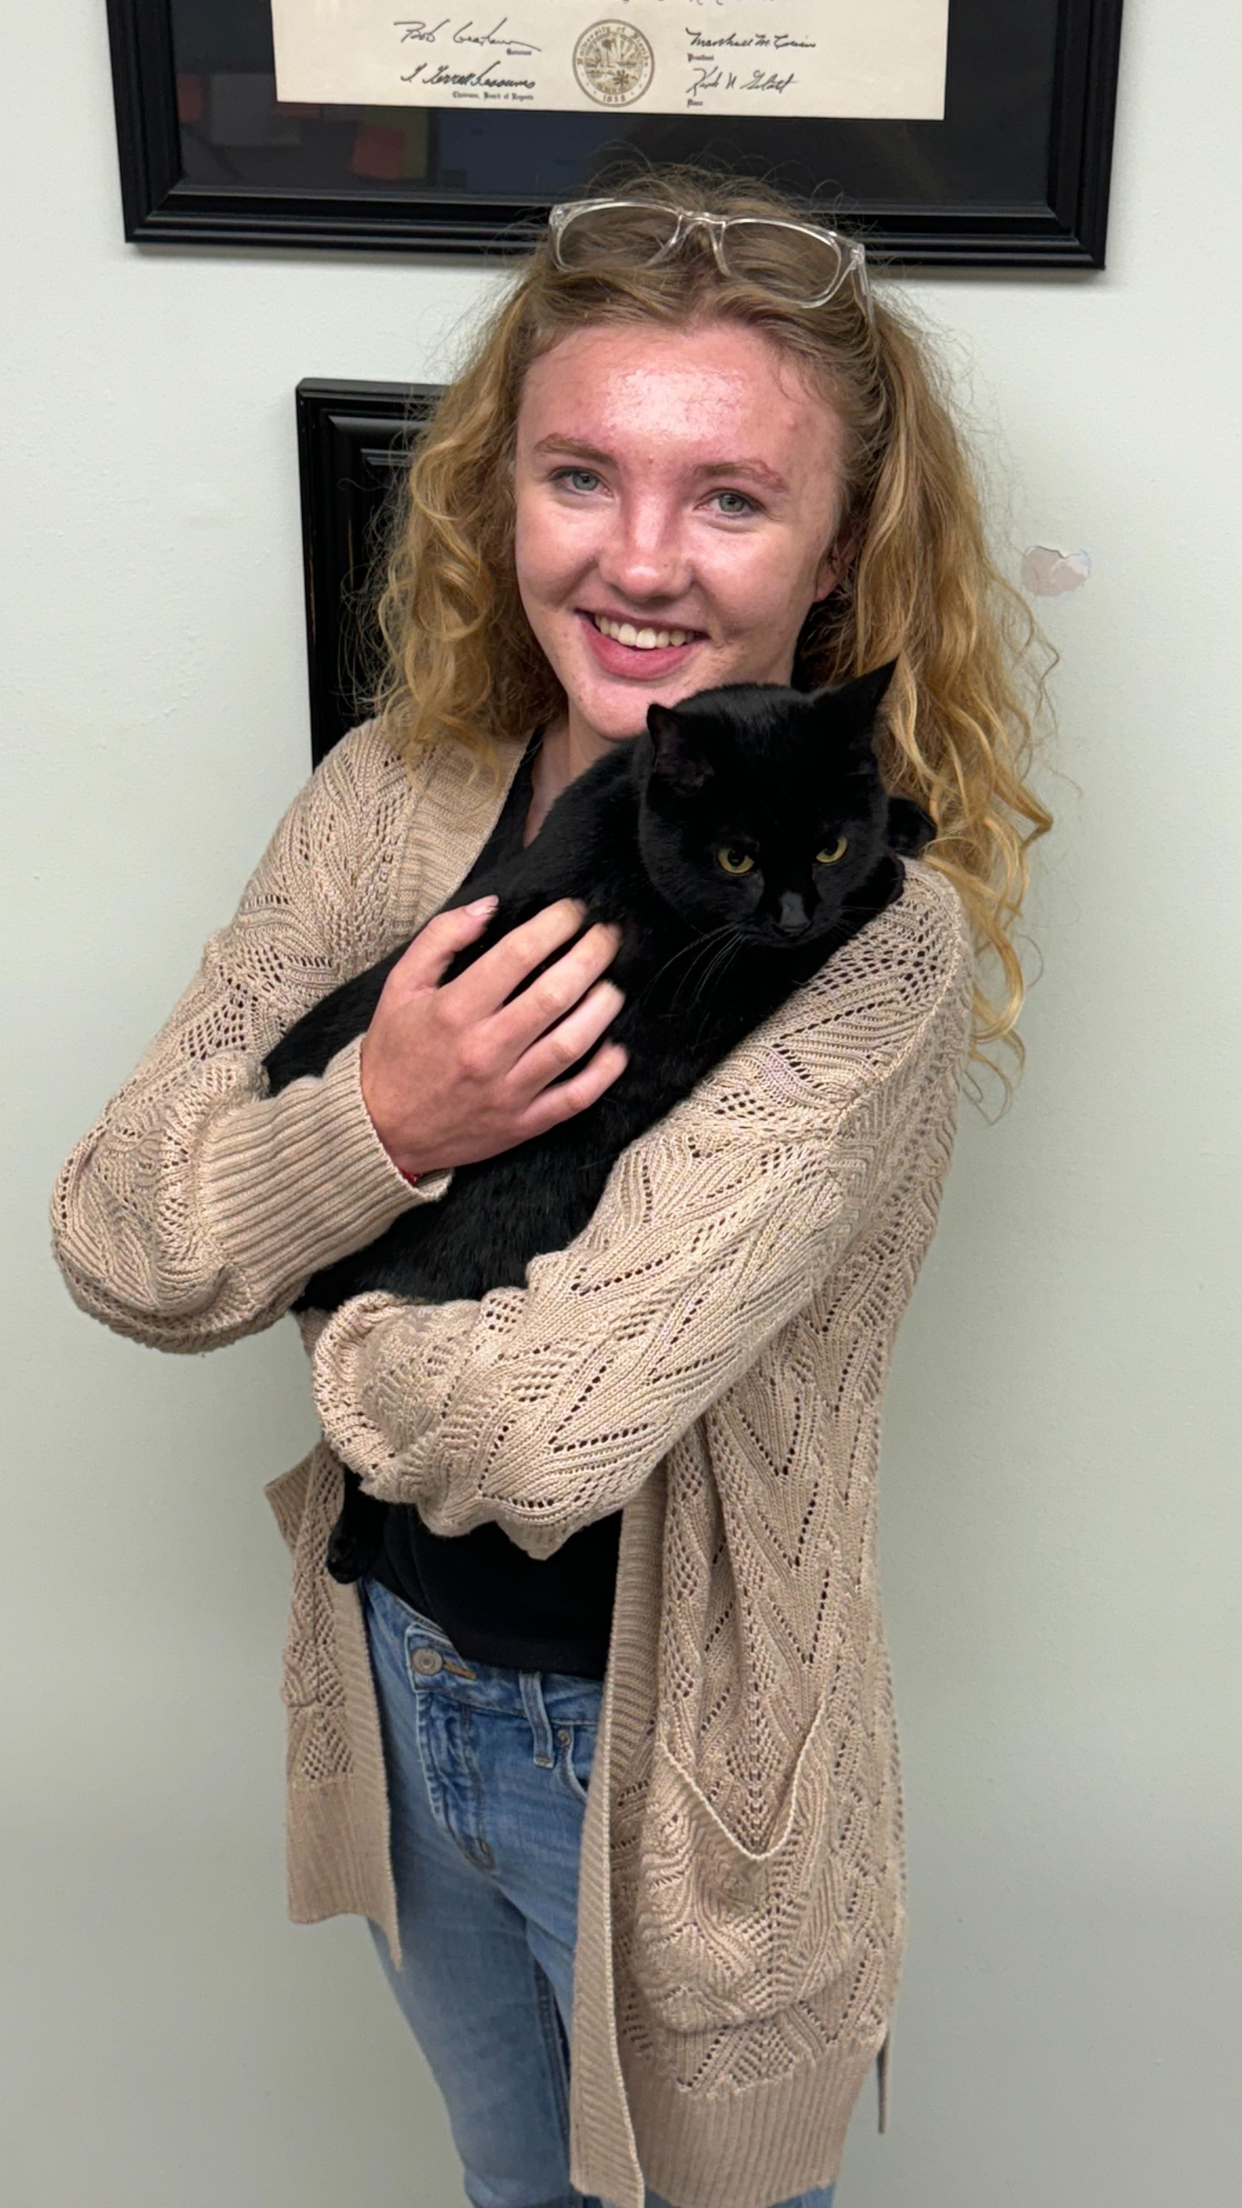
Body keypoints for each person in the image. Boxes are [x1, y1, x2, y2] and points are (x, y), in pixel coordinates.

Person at [50, 171, 1050, 2208]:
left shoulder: (871, 945)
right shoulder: (389, 801)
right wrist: (380, 1122)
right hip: (389, 1675)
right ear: (498, 489)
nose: (639, 561)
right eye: (581, 474)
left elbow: (538, 1435)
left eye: (730, 498)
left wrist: (324, 1307)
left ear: (840, 545)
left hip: (674, 1777)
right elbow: (123, 1240)